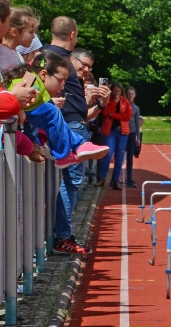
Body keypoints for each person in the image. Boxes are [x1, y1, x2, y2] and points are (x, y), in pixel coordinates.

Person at [45, 16, 110, 255]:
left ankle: (63, 234)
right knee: (71, 182)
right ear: (73, 34)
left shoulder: (50, 55)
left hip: (73, 124)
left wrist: (98, 105)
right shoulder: (57, 58)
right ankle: (63, 237)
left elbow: (77, 106)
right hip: (70, 127)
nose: (87, 71)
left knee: (70, 182)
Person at [5, 50, 109, 167]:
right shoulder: (31, 81)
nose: (63, 86)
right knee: (52, 112)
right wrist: (19, 109)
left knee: (55, 115)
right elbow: (14, 94)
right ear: (44, 75)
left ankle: (79, 144)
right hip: (14, 114)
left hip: (25, 112)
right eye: (60, 80)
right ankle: (63, 155)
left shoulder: (33, 80)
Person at [97, 81, 132, 190]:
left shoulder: (125, 102)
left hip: (122, 132)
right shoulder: (108, 101)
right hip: (110, 132)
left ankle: (116, 180)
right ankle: (102, 178)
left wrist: (114, 115)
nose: (117, 93)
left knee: (119, 157)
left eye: (119, 91)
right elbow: (106, 112)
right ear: (111, 92)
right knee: (108, 154)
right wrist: (114, 103)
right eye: (115, 91)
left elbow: (127, 116)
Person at [124, 85, 141, 188]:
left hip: (132, 133)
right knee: (119, 156)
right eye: (128, 94)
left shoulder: (136, 108)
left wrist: (138, 138)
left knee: (130, 157)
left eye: (132, 94)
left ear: (135, 95)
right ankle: (115, 178)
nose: (130, 96)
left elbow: (137, 123)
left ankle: (129, 178)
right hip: (122, 132)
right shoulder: (122, 105)